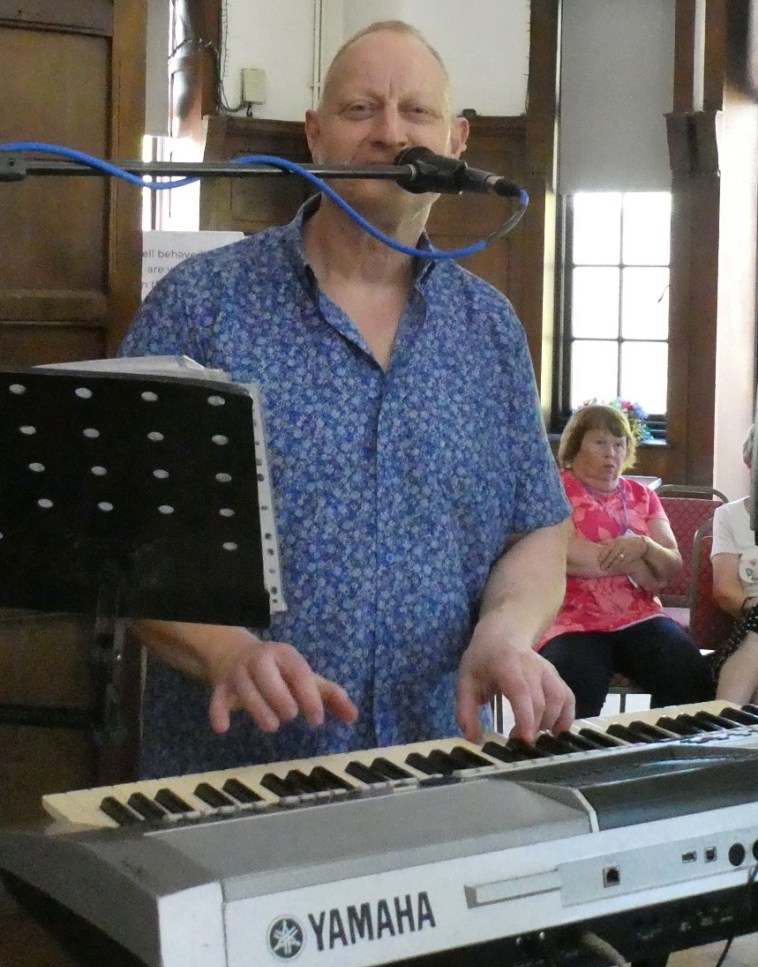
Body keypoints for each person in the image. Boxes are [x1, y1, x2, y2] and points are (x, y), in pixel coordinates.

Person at [120, 20, 574, 779]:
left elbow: (537, 526)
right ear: (314, 133)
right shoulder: (202, 305)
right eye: (361, 110)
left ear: (456, 140)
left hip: (437, 766)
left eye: (416, 112)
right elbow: (125, 535)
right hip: (232, 776)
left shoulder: (490, 328)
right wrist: (227, 652)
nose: (390, 134)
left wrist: (504, 633)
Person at [536, 403, 714, 718]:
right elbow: (564, 555)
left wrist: (643, 545)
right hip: (570, 617)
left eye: (619, 444)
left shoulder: (642, 495)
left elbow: (671, 564)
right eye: (600, 442)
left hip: (638, 615)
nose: (611, 453)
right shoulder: (554, 491)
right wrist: (637, 564)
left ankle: (667, 747)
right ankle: (576, 751)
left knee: (687, 669)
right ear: (575, 446)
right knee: (576, 677)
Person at [711, 425, 758, 703]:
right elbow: (725, 590)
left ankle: (723, 716)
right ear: (749, 461)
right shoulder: (728, 516)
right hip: (749, 618)